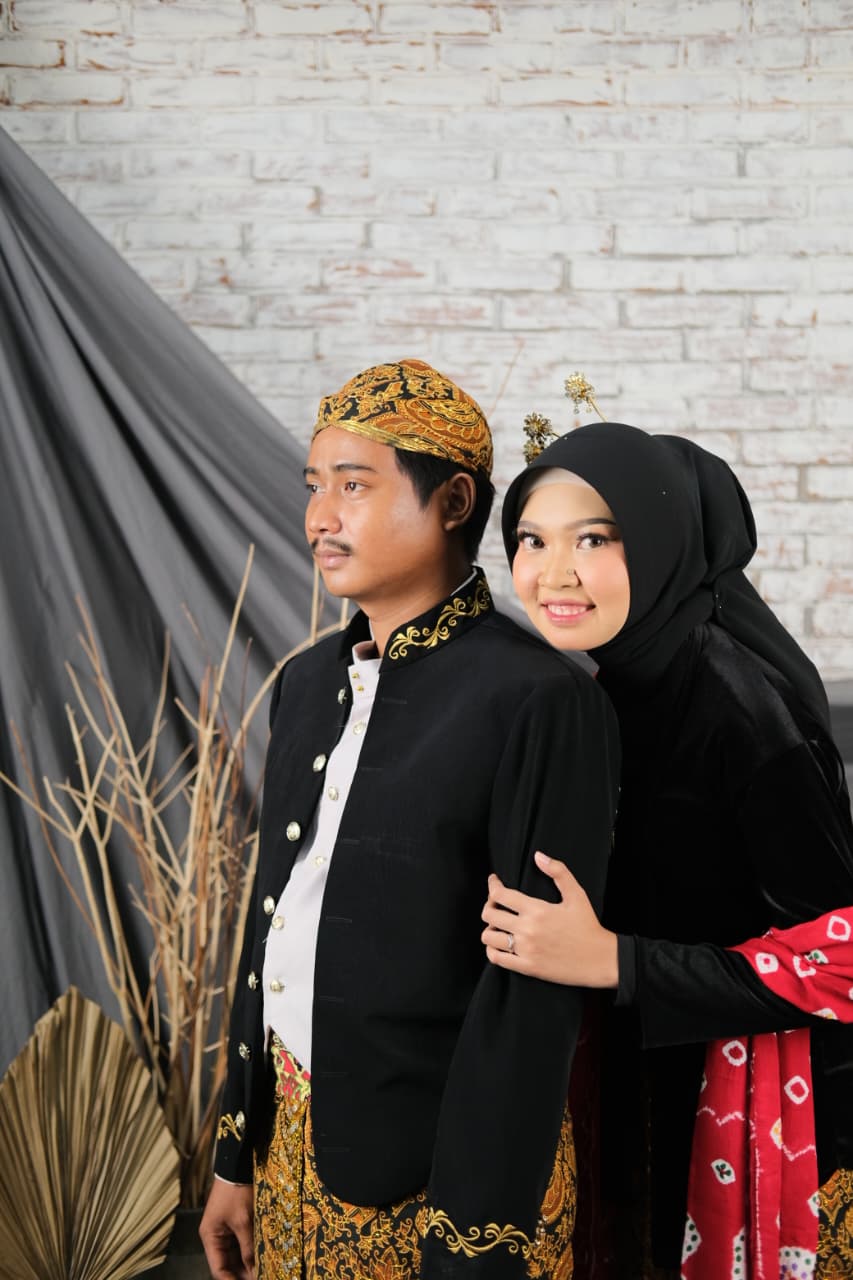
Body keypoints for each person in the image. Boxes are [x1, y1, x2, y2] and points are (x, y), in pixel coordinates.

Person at [199, 359, 620, 1280]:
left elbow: (531, 999)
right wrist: (235, 1153)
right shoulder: (306, 682)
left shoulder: (541, 699)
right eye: (313, 486)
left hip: (447, 1182)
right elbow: (275, 926)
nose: (320, 517)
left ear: (454, 501)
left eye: (353, 486)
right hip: (290, 1158)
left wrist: (474, 1239)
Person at [482, 420, 853, 1279]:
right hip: (644, 1075)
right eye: (532, 539)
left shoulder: (742, 711)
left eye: (593, 539)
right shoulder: (610, 680)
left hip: (747, 1104)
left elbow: (840, 958)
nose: (553, 572)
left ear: (658, 542)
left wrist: (614, 961)